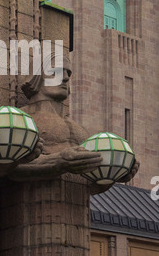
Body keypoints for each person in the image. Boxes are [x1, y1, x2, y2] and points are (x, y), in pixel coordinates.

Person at [8, 54, 139, 190]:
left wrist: (111, 173)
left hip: (79, 207)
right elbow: (8, 167)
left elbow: (88, 186)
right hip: (34, 201)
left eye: (68, 73)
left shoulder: (78, 128)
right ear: (37, 77)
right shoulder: (23, 119)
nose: (65, 78)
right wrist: (59, 161)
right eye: (56, 72)